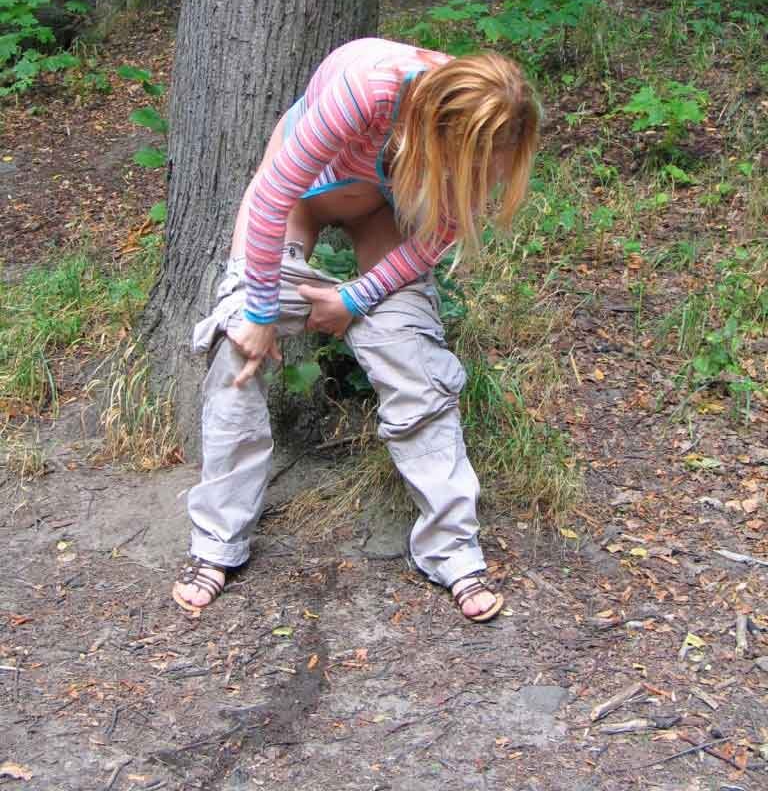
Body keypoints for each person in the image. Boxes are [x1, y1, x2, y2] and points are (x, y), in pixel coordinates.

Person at [172, 37, 539, 622]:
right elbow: (271, 198)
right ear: (437, 129)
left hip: (389, 210)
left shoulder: (490, 129)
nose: (482, 179)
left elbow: (438, 234)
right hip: (304, 200)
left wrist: (355, 297)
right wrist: (263, 314)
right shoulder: (371, 88)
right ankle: (217, 543)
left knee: (412, 361)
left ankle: (452, 551)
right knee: (234, 348)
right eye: (471, 167)